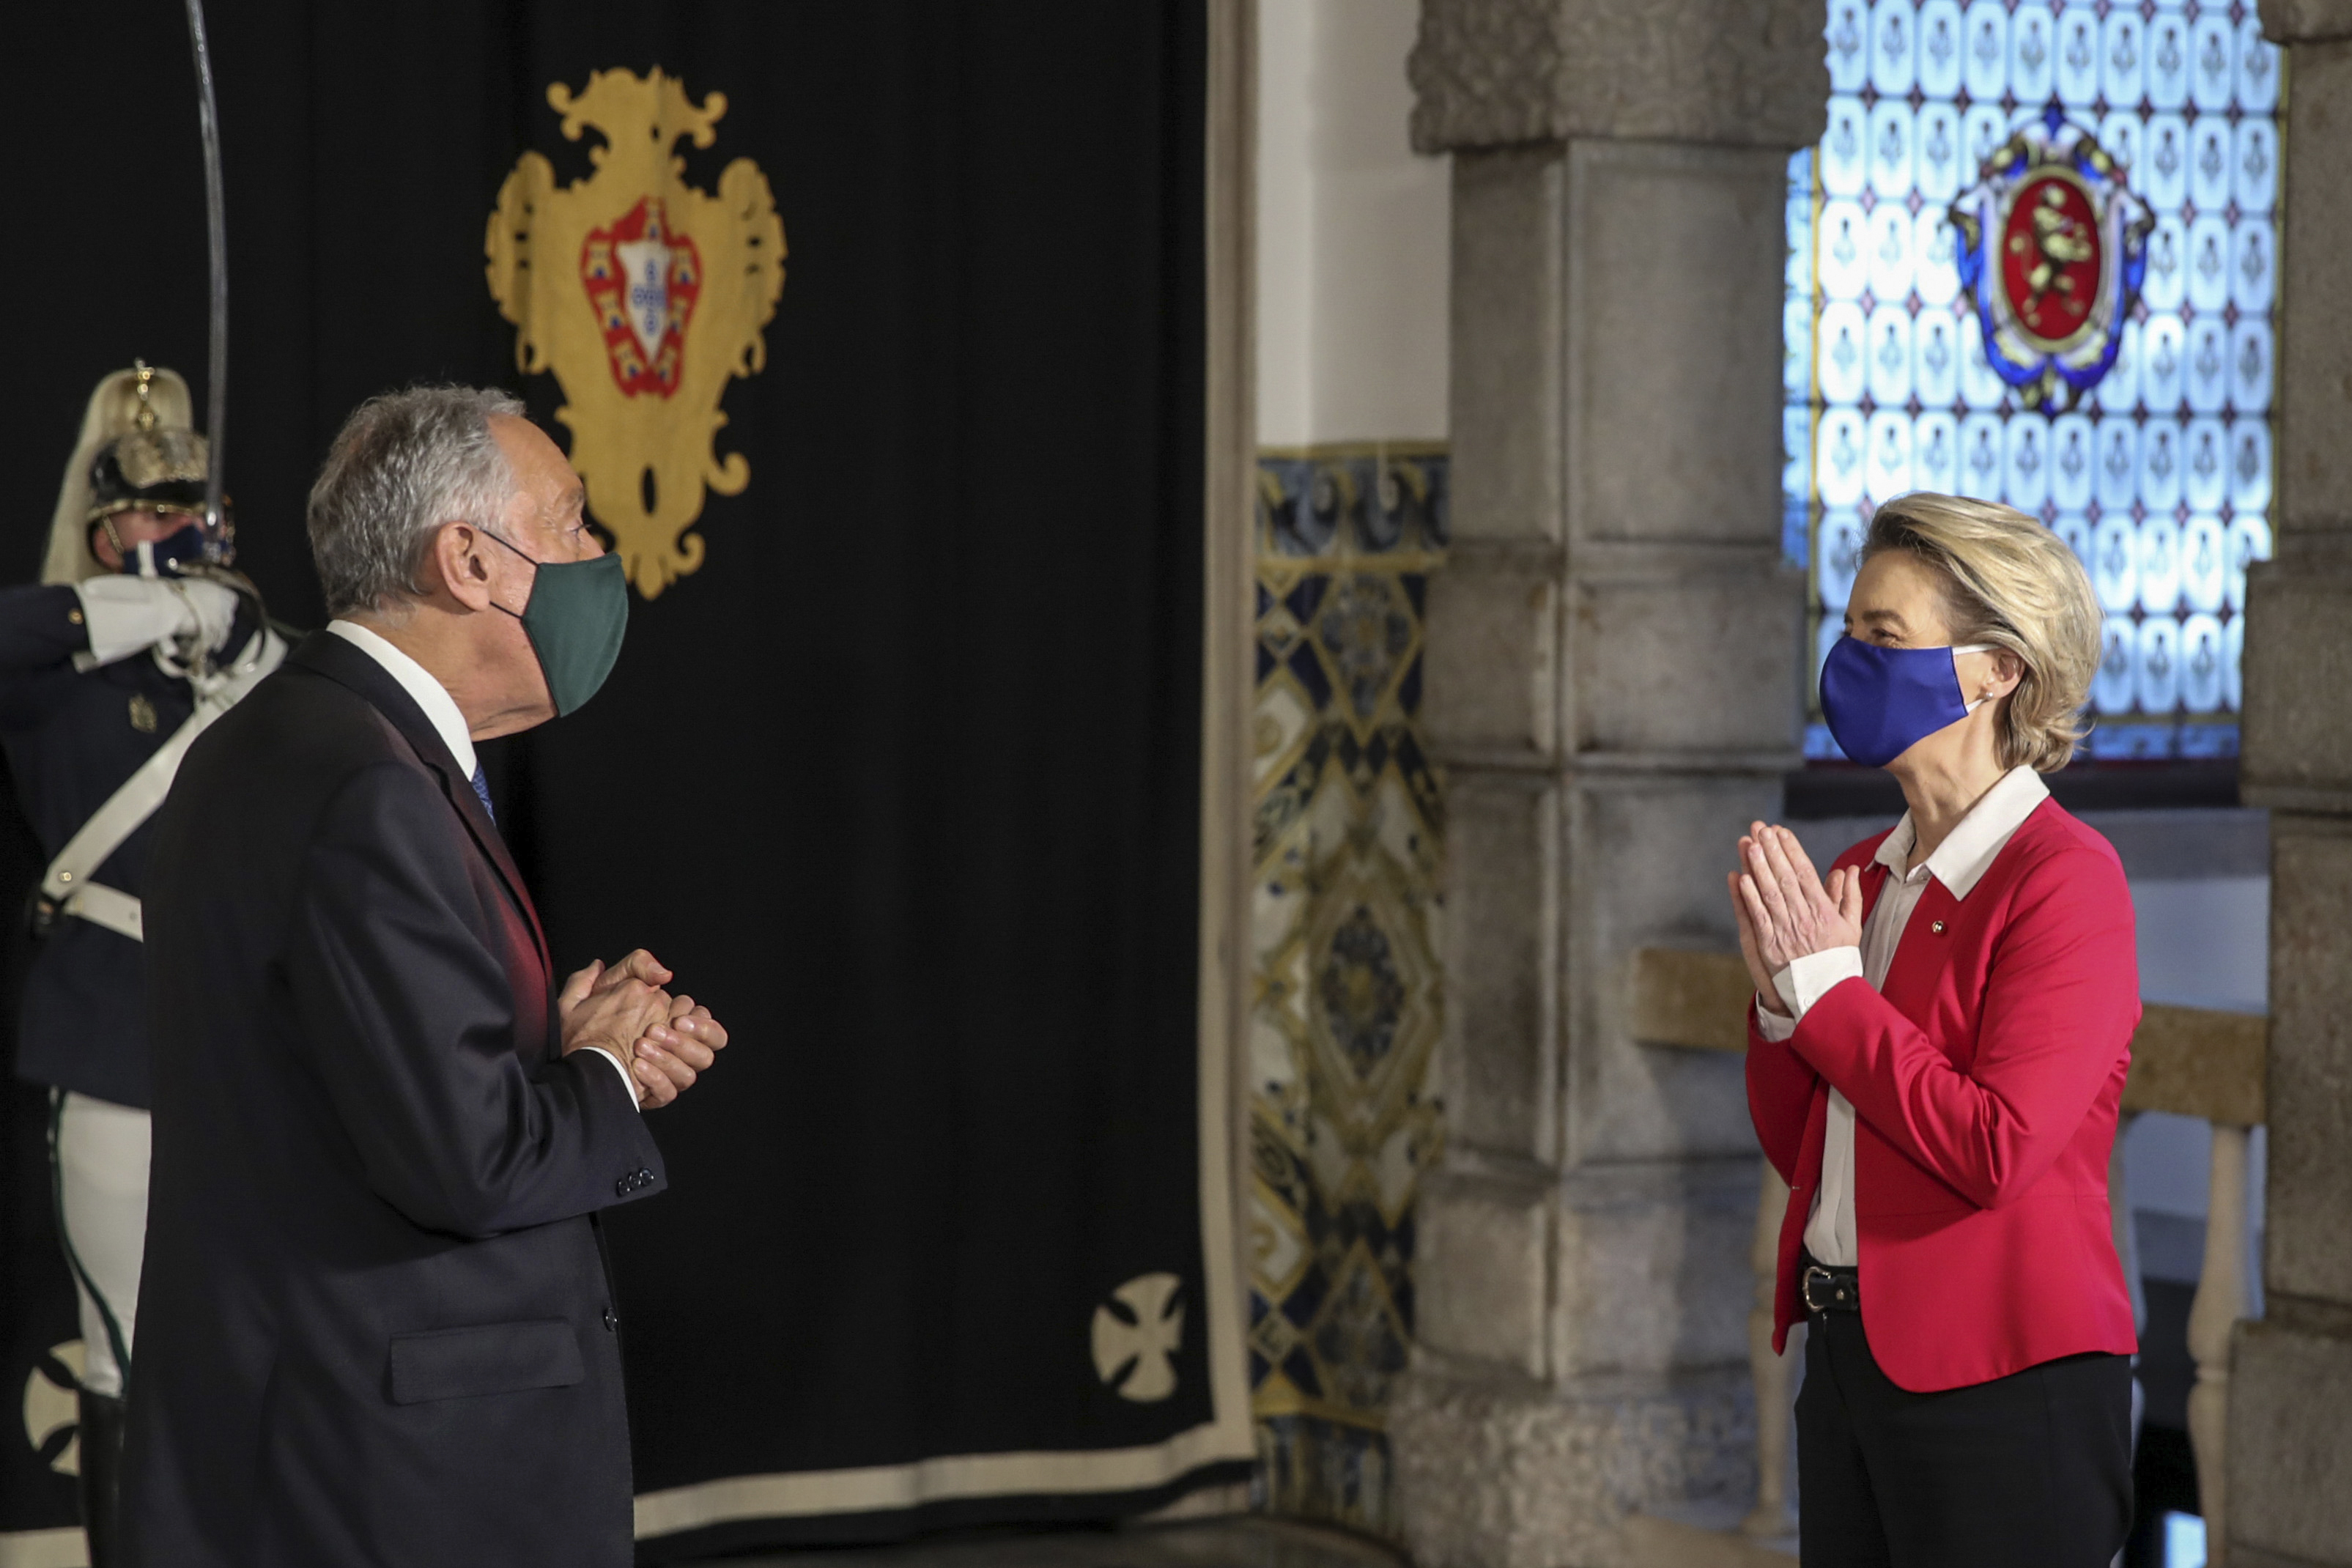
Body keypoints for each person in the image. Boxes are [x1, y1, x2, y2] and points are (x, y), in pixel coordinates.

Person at [119, 386, 729, 1567]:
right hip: (394, 1474)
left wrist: (542, 1044)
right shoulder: (371, 786)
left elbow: (334, 1079)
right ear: (470, 561)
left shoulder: (271, 743)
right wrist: (608, 1069)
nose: (598, 556)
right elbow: (469, 1163)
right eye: (571, 521)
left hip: (291, 1433)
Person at [1732, 493, 2139, 1567]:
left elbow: (1995, 1147)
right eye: (1849, 630)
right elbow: (1807, 1149)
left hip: (2003, 1379)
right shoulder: (1861, 876)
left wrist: (1828, 999)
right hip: (1848, 1358)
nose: (1848, 661)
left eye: (1884, 634)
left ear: (1995, 669)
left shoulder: (2066, 879)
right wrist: (1781, 1009)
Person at [0, 363, 286, 1564]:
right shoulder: (65, 674)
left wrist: (243, 643)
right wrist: (141, 613)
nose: (180, 531)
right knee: (124, 1350)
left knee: (257, 1342)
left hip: (255, 1052)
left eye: (196, 512)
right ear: (106, 526)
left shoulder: (255, 657)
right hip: (117, 1033)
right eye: (153, 513)